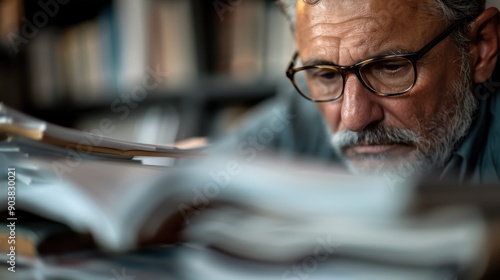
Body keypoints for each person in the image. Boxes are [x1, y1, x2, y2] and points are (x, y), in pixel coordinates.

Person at [211, 0, 500, 185]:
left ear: (480, 48)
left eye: (390, 68)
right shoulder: (306, 112)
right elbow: (199, 176)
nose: (353, 117)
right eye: (326, 74)